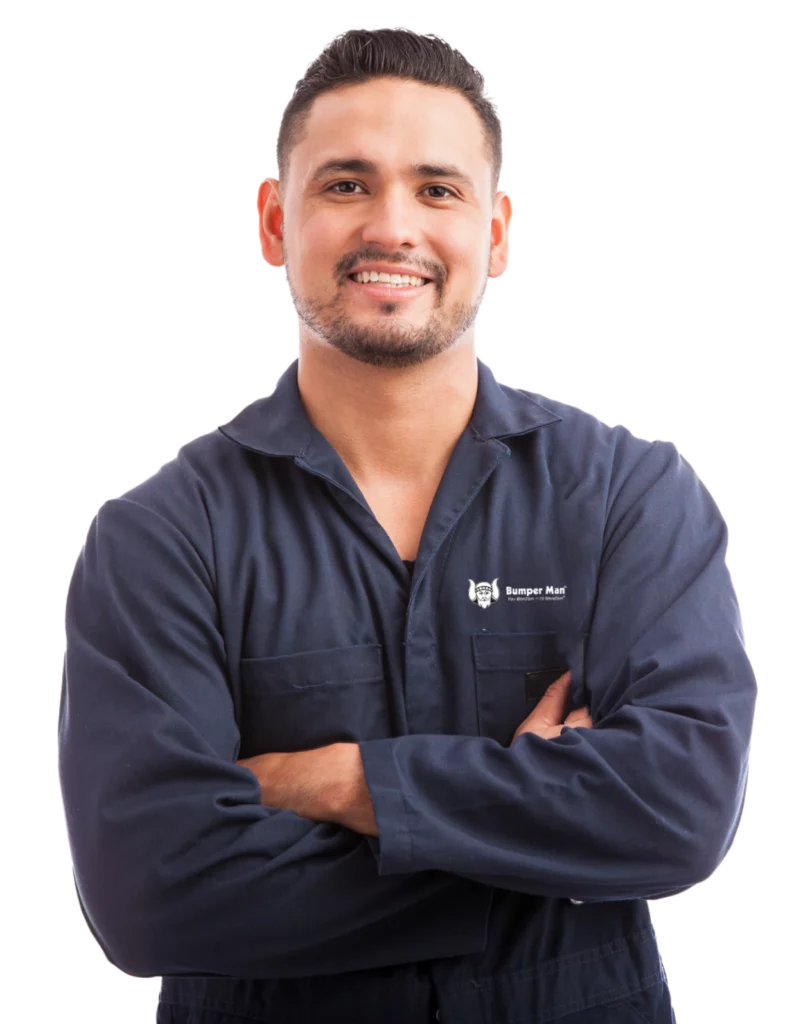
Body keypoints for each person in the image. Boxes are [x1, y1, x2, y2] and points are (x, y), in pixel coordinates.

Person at [57, 26, 757, 1024]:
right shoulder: (163, 537)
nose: (392, 225)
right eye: (345, 184)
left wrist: (339, 781)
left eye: (436, 189)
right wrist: (533, 850)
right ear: (271, 222)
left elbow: (678, 810)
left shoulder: (626, 497)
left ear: (495, 232)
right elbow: (148, 893)